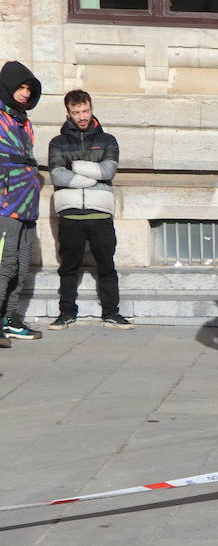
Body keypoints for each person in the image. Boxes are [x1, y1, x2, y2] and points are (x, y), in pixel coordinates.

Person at [46, 89, 132, 329]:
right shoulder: (58, 142)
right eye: (76, 112)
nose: (82, 116)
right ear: (68, 113)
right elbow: (57, 175)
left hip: (100, 212)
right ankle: (66, 313)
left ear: (91, 109)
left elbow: (108, 172)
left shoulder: (107, 140)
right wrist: (91, 175)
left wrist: (75, 166)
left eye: (85, 111)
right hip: (71, 212)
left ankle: (111, 313)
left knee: (106, 266)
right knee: (68, 267)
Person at [0, 60, 44, 346]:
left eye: (29, 88)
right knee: (5, 264)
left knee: (23, 263)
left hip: (28, 203)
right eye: (20, 87)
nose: (25, 93)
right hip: (4, 203)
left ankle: (10, 318)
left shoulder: (24, 121)